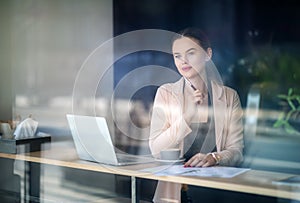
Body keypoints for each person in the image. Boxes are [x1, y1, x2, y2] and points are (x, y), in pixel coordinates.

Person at [149, 28, 244, 203]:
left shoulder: (229, 96)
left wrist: (215, 158)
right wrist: (187, 116)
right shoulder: (166, 93)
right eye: (177, 56)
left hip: (218, 191)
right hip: (177, 192)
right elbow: (155, 149)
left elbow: (236, 151)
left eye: (190, 53)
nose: (183, 61)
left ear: (208, 54)